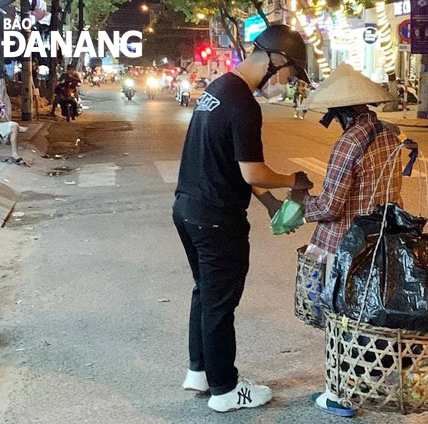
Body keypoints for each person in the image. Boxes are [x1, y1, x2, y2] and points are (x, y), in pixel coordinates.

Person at [172, 24, 313, 413]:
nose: (286, 83)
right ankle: (225, 390)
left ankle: (199, 371)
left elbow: (228, 162)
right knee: (220, 303)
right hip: (217, 218)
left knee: (205, 293)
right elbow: (252, 171)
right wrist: (293, 180)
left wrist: (268, 201)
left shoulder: (219, 89)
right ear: (276, 60)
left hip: (187, 208)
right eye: (289, 74)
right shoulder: (244, 104)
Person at [290, 63, 403, 418]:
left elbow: (330, 205)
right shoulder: (388, 134)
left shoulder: (349, 141)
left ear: (339, 111)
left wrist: (296, 207)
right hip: (381, 240)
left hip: (344, 245)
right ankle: (365, 383)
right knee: (366, 318)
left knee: (339, 321)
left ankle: (340, 395)